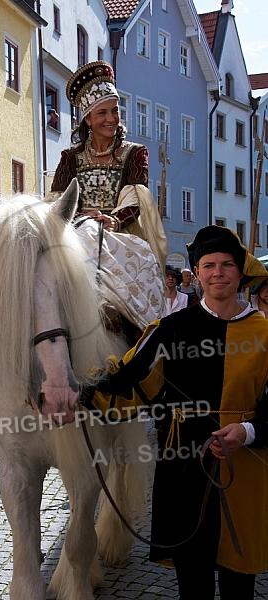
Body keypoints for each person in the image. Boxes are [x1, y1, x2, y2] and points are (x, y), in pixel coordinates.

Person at [83, 225, 268, 600]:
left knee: (240, 585)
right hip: (184, 464)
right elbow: (127, 379)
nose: (218, 272)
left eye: (227, 265)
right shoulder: (168, 329)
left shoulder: (264, 333)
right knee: (193, 583)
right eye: (209, 265)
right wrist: (74, 392)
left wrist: (247, 431)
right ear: (196, 273)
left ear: (240, 272)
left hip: (245, 466)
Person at [47, 60, 167, 336]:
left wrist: (112, 220)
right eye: (102, 113)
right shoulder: (70, 158)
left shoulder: (134, 153)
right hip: (76, 233)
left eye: (115, 110)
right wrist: (82, 220)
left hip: (118, 234)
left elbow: (137, 199)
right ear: (87, 118)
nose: (111, 118)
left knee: (141, 271)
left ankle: (144, 340)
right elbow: (55, 203)